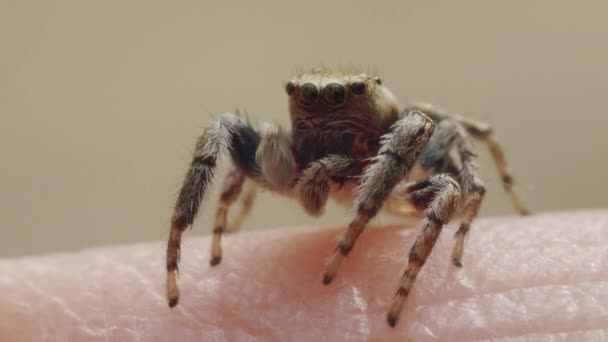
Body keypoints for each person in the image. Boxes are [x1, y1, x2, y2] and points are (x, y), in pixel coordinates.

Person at [1, 210, 606, 341]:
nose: (322, 111)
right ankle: (178, 251)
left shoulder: (409, 134)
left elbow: (457, 155)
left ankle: (401, 283)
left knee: (449, 169)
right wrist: (217, 228)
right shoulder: (283, 146)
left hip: (391, 185)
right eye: (307, 99)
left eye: (347, 98)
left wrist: (353, 240)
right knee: (223, 129)